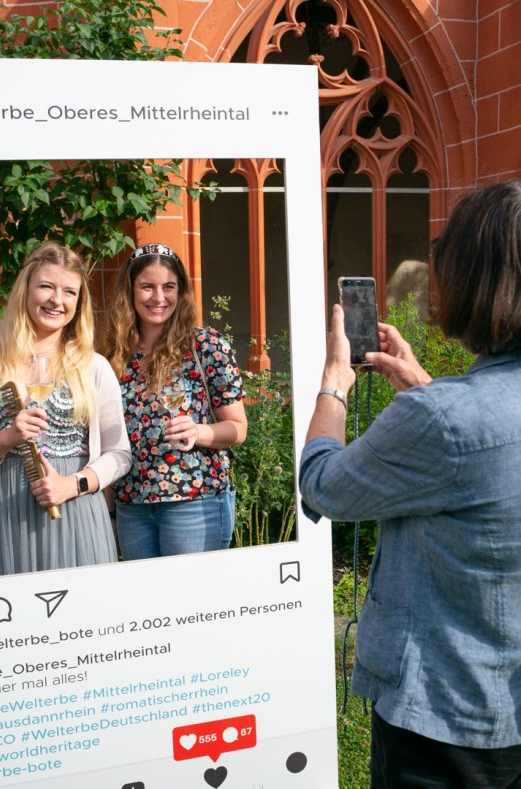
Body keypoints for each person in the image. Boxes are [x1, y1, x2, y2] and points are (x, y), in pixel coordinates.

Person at [299, 180, 521, 788]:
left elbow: (323, 484)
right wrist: (426, 389)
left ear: (475, 284)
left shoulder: (444, 420)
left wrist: (334, 382)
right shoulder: (451, 413)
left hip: (445, 720)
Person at [0, 242, 132, 578]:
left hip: (74, 512)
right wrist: (7, 438)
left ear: (79, 302)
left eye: (69, 292)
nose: (56, 300)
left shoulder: (93, 367)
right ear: (25, 290)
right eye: (46, 286)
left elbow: (120, 454)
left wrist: (73, 484)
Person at [101, 242, 247, 559]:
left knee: (194, 606)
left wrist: (199, 432)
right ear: (130, 290)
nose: (158, 297)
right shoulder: (112, 355)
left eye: (169, 287)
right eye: (147, 287)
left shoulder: (206, 347)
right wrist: (110, 514)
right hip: (132, 509)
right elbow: (106, 441)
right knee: (144, 607)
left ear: (180, 291)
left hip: (196, 503)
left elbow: (237, 428)